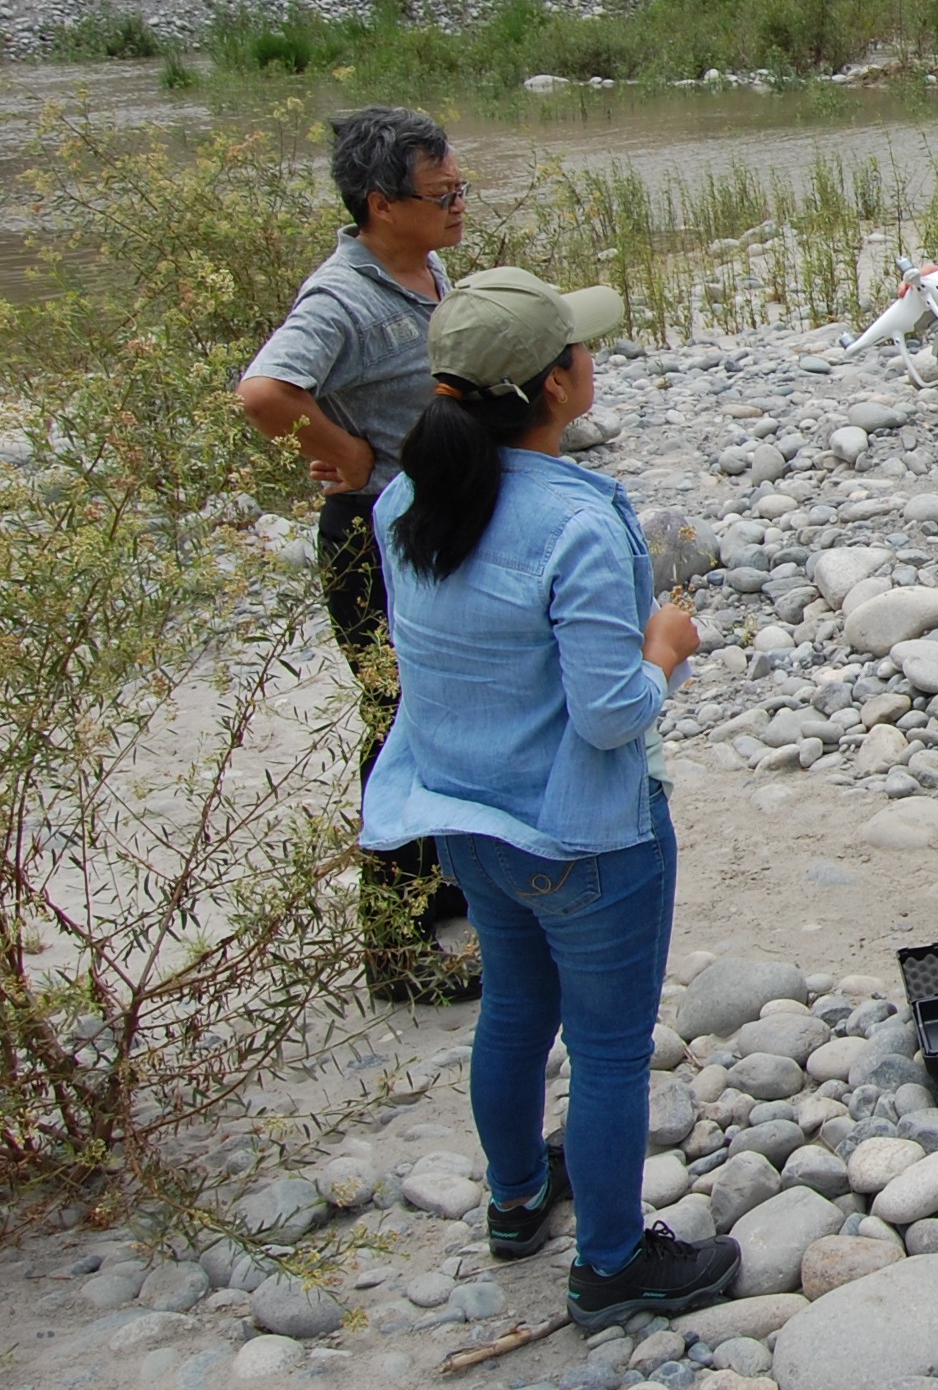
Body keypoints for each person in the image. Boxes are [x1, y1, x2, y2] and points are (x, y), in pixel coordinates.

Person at [362, 266, 742, 1330]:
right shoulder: (579, 518)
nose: (591, 358)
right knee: (612, 1046)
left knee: (516, 1011)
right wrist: (667, 647)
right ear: (555, 385)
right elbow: (612, 711)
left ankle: (517, 1198)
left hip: (461, 818)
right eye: (580, 348)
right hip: (585, 836)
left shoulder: (404, 497)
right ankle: (613, 1263)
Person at [239, 105, 480, 1005]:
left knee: (436, 713)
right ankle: (393, 947)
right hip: (370, 538)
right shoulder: (341, 295)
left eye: (461, 188)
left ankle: (435, 882)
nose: (459, 205)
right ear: (381, 204)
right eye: (441, 193)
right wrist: (344, 455)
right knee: (398, 730)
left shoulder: (420, 266)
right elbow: (264, 389)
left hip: (419, 532)